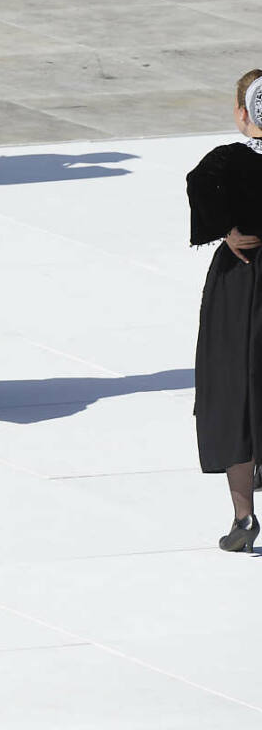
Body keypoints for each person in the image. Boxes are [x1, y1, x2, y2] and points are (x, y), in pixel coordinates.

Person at [186, 69, 262, 553]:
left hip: (242, 282)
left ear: (241, 115)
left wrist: (228, 230)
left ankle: (244, 517)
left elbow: (198, 184)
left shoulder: (227, 162)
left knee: (232, 386)